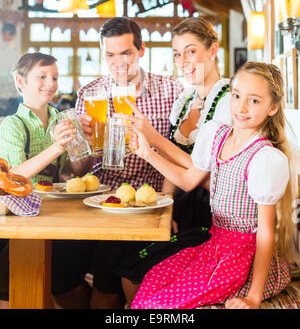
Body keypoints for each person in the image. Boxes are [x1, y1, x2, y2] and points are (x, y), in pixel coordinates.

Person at [127, 61, 293, 309]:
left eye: (254, 101)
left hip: (241, 258)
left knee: (156, 305)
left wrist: (253, 297)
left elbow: (265, 233)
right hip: (215, 244)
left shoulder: (265, 158)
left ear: (273, 107)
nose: (241, 107)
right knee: (151, 280)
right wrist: (147, 153)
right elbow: (187, 180)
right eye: (236, 96)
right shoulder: (217, 135)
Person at [76, 17, 184, 308]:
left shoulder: (171, 91)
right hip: (101, 202)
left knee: (108, 268)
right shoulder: (90, 94)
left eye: (126, 53)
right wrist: (85, 144)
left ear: (141, 51)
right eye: (110, 55)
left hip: (152, 203)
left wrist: (169, 203)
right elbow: (79, 170)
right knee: (63, 271)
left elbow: (178, 153)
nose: (118, 62)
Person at [0, 52, 94, 309]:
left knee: (67, 274)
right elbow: (14, 177)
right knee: (17, 280)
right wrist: (57, 147)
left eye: (54, 77)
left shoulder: (61, 119)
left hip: (52, 216)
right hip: (14, 220)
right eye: (41, 77)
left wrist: (85, 146)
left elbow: (78, 170)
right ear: (21, 81)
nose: (50, 83)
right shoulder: (13, 124)